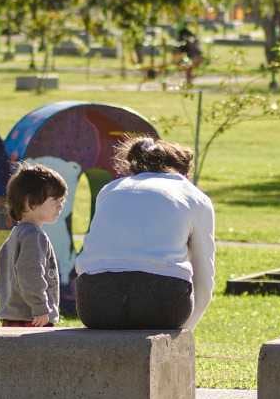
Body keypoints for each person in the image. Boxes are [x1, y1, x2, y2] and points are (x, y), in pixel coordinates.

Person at [74, 136, 215, 331]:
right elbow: (204, 276)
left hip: (95, 304)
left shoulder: (109, 189)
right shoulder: (194, 196)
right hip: (163, 304)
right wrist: (186, 332)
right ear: (184, 172)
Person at [0, 164, 66, 328]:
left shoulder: (15, 234)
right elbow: (30, 272)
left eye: (62, 200)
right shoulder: (34, 236)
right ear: (29, 202)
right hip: (33, 318)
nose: (60, 205)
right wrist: (40, 306)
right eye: (55, 199)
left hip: (13, 315)